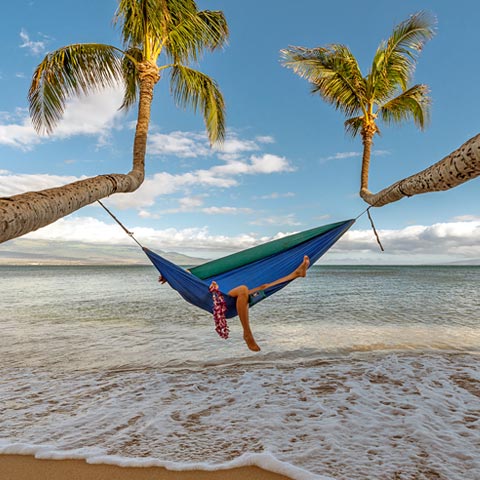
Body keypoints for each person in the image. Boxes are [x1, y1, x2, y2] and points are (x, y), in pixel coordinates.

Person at [159, 255, 310, 352]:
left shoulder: (189, 278)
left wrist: (171, 276)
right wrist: (169, 276)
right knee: (244, 289)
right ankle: (247, 333)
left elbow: (183, 275)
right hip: (217, 304)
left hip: (228, 300)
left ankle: (296, 274)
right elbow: (180, 278)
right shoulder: (187, 286)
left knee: (262, 288)